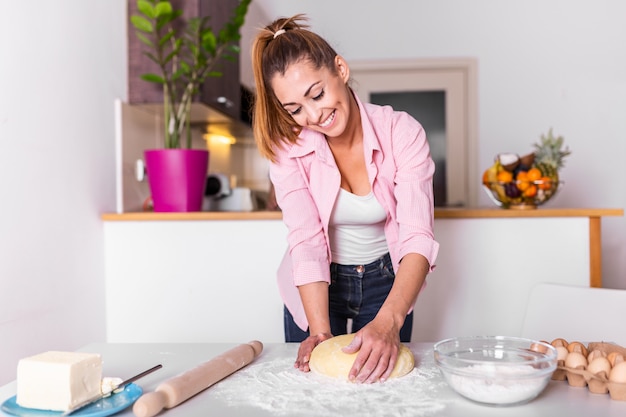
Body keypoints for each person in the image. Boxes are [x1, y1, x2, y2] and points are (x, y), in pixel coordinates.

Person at [251, 14, 439, 384]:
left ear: (341, 69)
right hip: (319, 286)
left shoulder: (401, 132)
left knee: (382, 390)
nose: (314, 115)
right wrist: (319, 332)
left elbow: (417, 236)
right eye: (295, 109)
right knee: (314, 392)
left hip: (388, 281)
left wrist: (389, 321)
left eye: (317, 94)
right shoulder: (288, 149)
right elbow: (306, 240)